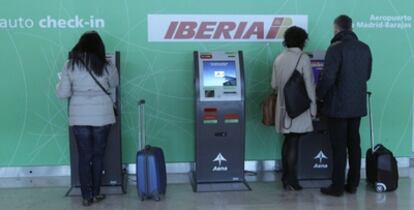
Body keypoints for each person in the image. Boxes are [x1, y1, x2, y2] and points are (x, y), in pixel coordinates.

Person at [56, 31, 119, 206]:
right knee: (99, 155)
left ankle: (86, 196)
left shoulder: (70, 65)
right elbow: (114, 84)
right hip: (102, 114)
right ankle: (97, 193)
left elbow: (63, 93)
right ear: (100, 47)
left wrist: (58, 84)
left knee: (84, 156)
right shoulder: (107, 65)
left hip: (79, 116)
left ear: (80, 45)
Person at [317, 15, 372, 196]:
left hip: (338, 106)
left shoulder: (335, 49)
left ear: (336, 29)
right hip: (356, 105)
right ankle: (353, 184)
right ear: (351, 27)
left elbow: (328, 78)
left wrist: (319, 96)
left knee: (339, 147)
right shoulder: (364, 48)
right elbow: (367, 75)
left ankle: (337, 186)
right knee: (354, 144)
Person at [271, 26, 317, 191]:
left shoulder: (279, 58)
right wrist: (313, 108)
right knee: (294, 141)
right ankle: (291, 180)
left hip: (283, 108)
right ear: (302, 41)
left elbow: (274, 85)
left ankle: (286, 178)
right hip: (297, 107)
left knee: (288, 140)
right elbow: (309, 85)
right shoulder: (303, 58)